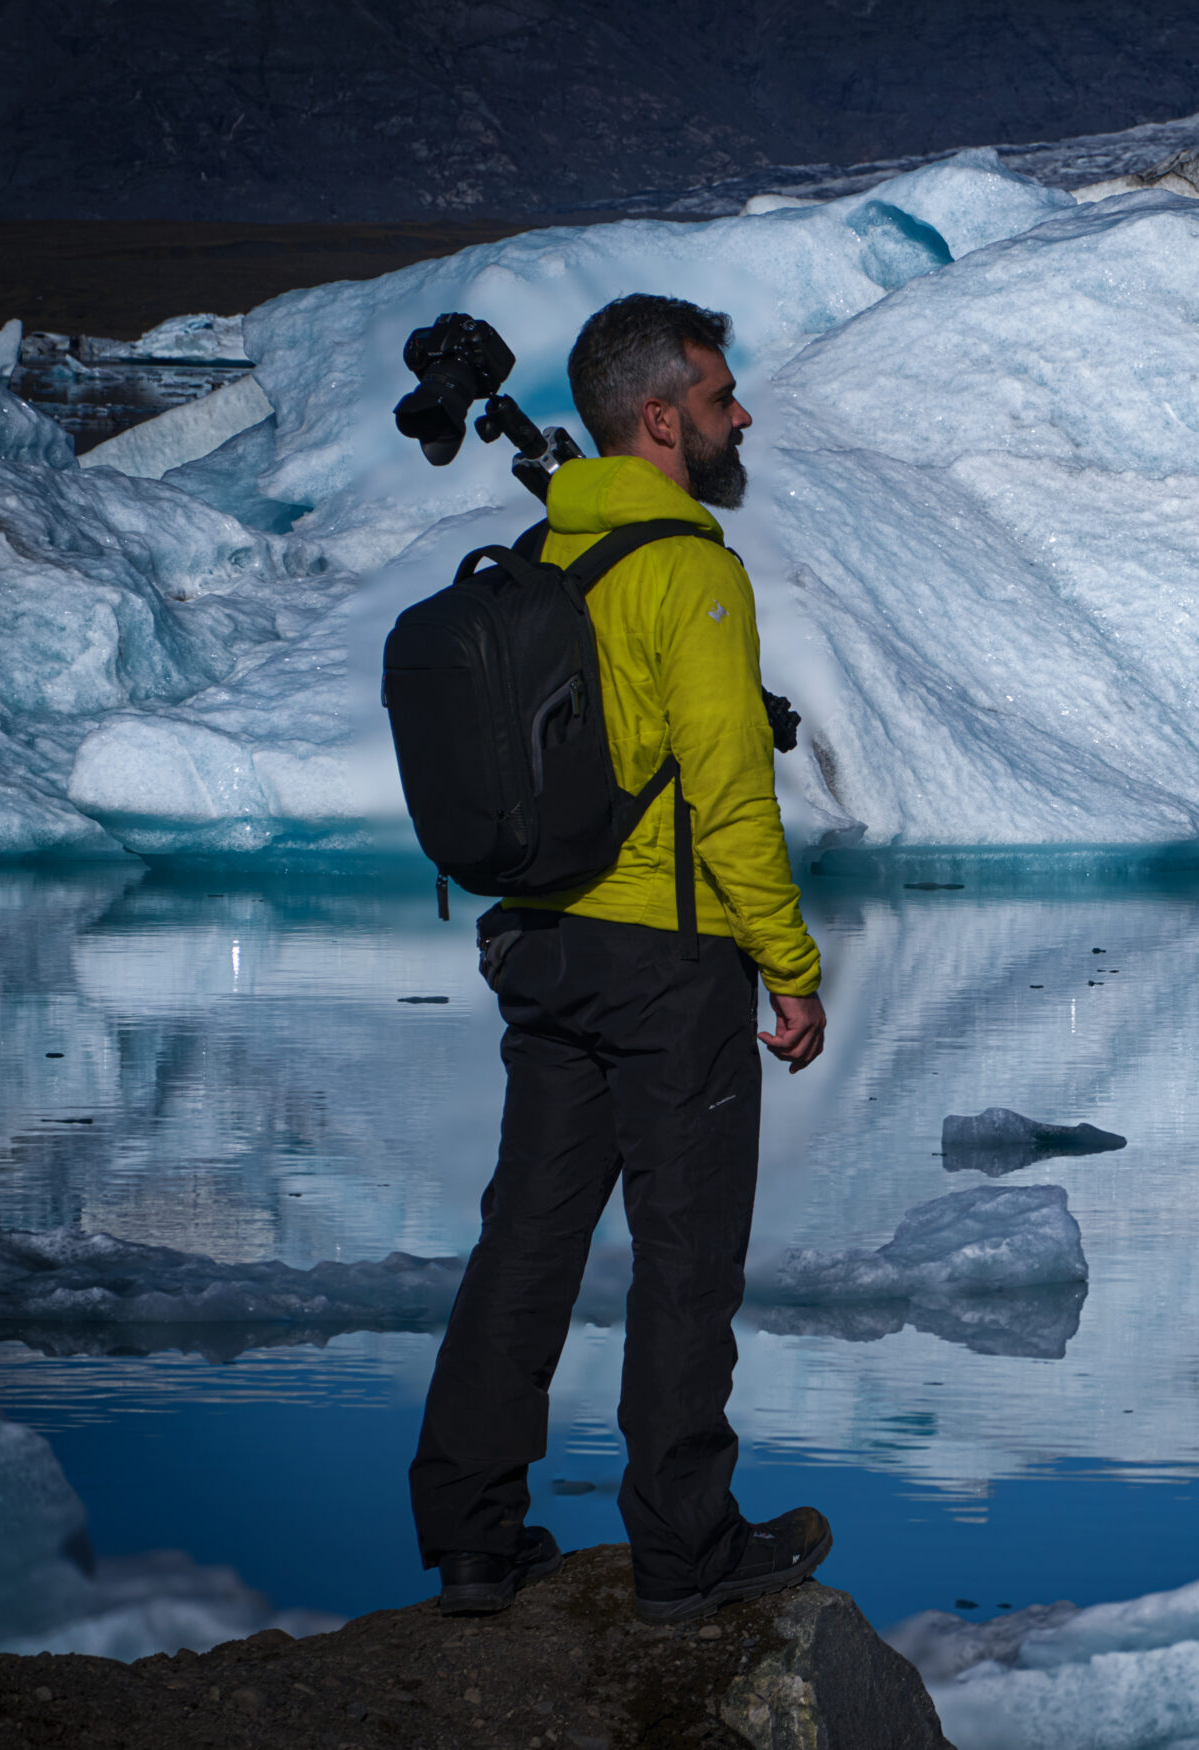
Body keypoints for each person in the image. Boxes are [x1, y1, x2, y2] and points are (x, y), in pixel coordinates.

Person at [408, 294, 832, 1625]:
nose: (738, 413)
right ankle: (685, 1549)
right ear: (660, 420)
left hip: (545, 949)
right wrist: (791, 961)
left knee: (526, 1236)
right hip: (667, 965)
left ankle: (474, 1540)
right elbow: (727, 785)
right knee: (687, 1252)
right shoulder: (690, 572)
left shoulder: (550, 554)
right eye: (717, 395)